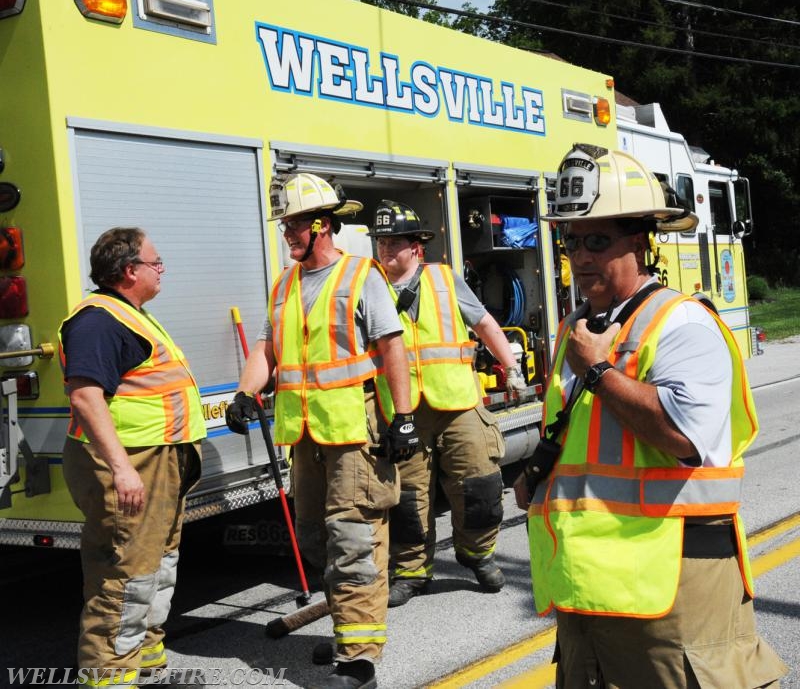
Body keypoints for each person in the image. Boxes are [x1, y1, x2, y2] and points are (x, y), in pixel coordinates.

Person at [514, 144, 788, 688]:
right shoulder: (579, 327)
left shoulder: (682, 324)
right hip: (588, 593)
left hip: (672, 596)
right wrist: (536, 475)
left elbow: (682, 436)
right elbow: (582, 437)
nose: (581, 255)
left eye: (598, 239)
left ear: (640, 242)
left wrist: (599, 373)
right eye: (571, 240)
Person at [225, 174, 417, 689]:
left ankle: (358, 660)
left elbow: (392, 347)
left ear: (321, 225)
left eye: (292, 224)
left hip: (355, 432)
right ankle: (348, 624)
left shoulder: (361, 276)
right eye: (284, 224)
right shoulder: (285, 283)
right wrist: (246, 392)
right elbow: (268, 348)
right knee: (314, 537)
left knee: (351, 539)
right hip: (305, 434)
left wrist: (404, 417)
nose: (286, 234)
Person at [59, 227, 205, 687]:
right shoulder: (99, 320)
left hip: (157, 463)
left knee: (155, 571)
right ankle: (110, 679)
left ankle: (147, 666)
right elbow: (85, 397)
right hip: (133, 464)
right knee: (122, 581)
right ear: (129, 270)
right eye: (155, 263)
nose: (161, 270)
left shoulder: (130, 314)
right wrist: (123, 469)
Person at [368, 200, 526, 607]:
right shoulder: (369, 286)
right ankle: (411, 572)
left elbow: (484, 323)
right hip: (402, 410)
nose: (386, 250)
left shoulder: (442, 279)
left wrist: (511, 366)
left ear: (416, 247)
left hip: (458, 402)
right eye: (381, 242)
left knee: (479, 483)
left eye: (395, 243)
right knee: (406, 497)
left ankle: (478, 554)